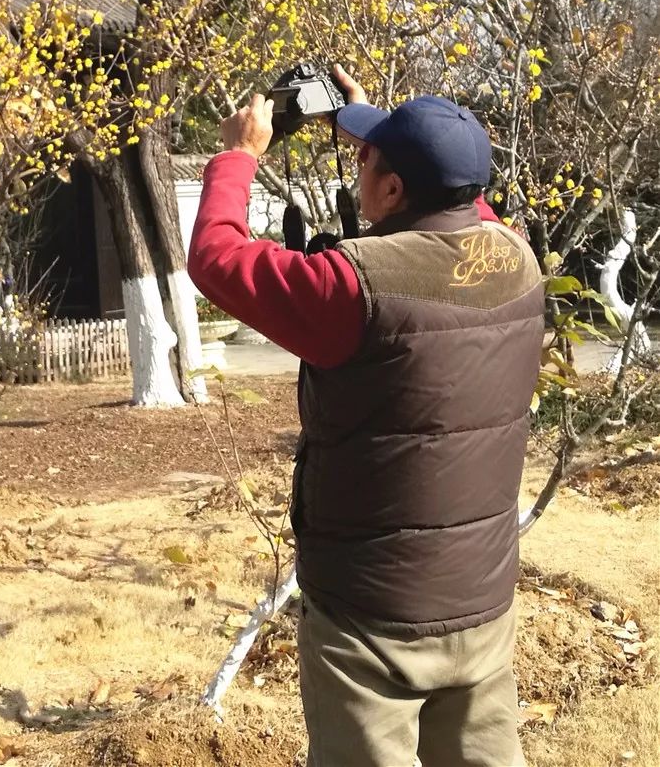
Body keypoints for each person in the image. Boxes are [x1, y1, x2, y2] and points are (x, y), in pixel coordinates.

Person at [187, 66, 544, 767]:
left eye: (369, 158)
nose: (358, 163)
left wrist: (238, 155)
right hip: (481, 603)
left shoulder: (355, 286)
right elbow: (457, 198)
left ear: (391, 189)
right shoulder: (516, 258)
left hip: (372, 623)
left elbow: (216, 257)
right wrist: (363, 122)